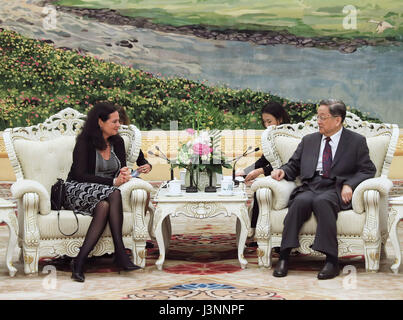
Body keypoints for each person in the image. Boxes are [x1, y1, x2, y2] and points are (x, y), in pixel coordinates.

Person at [270, 99, 376, 280]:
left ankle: (331, 261)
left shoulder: (356, 141)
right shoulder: (309, 140)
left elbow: (368, 169)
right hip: (311, 184)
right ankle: (284, 256)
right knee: (300, 202)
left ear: (337, 120)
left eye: (323, 117)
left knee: (323, 201)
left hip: (335, 186)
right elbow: (293, 165)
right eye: (317, 117)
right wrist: (282, 171)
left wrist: (350, 184)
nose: (318, 121)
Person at [65, 102, 141, 282]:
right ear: (100, 122)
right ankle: (120, 252)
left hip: (103, 193)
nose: (118, 125)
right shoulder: (84, 141)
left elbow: (121, 169)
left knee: (104, 206)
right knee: (113, 193)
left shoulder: (118, 141)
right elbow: (79, 174)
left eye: (118, 121)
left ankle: (79, 262)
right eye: (114, 121)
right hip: (77, 189)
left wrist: (124, 174)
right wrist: (113, 182)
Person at [235, 101, 290, 246]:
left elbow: (286, 163)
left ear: (280, 119)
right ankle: (256, 232)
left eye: (269, 121)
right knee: (261, 190)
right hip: (274, 176)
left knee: (262, 189)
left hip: (288, 177)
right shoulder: (271, 136)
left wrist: (261, 171)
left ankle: (259, 233)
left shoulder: (289, 136)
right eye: (264, 122)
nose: (267, 125)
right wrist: (245, 171)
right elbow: (265, 159)